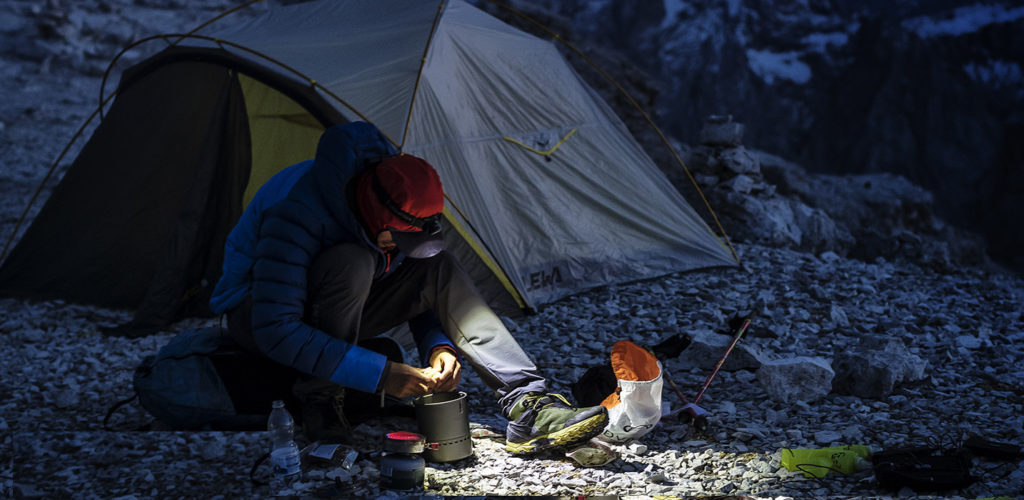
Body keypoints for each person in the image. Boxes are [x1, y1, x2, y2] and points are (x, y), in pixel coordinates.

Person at [209, 121, 608, 455]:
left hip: (333, 306)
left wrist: (439, 345)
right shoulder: (295, 211)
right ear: (374, 215)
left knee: (439, 264)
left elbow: (416, 282)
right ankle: (321, 399)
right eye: (396, 240)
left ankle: (527, 402)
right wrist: (381, 374)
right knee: (351, 261)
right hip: (254, 313)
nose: (401, 250)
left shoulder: (392, 195)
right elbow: (274, 327)